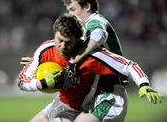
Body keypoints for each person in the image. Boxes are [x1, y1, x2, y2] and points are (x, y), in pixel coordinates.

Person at [18, 14, 162, 122]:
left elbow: (128, 65)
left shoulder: (92, 55)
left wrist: (144, 84)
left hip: (93, 103)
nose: (62, 46)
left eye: (68, 42)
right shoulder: (45, 50)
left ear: (78, 39)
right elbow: (22, 81)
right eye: (59, 40)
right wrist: (40, 83)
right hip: (65, 102)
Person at [62, 0, 129, 89]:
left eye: (72, 9)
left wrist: (74, 61)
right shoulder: (85, 26)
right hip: (99, 86)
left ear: (87, 7)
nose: (70, 14)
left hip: (110, 87)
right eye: (68, 11)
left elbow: (98, 35)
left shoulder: (96, 21)